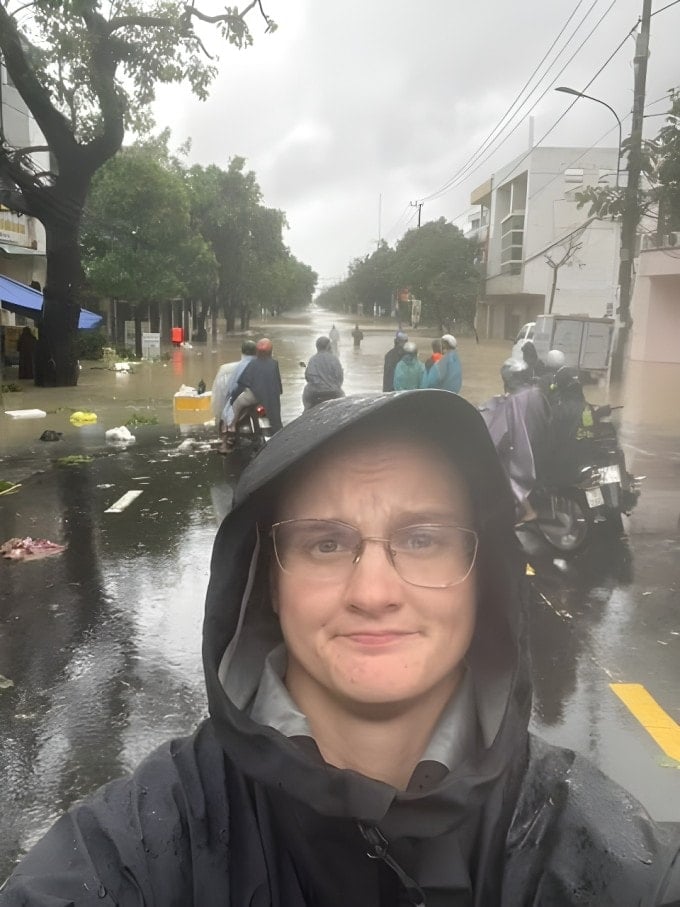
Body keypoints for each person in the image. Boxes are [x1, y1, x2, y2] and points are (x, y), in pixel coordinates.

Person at [3, 390, 679, 905]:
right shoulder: (147, 841)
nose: (374, 591)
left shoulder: (586, 843)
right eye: (326, 543)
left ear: (484, 579)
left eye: (422, 538)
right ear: (265, 580)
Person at [480, 359, 552, 524]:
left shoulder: (514, 402)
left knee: (502, 468)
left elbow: (500, 433)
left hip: (522, 451)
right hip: (540, 445)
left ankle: (527, 509)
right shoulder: (537, 392)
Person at [226, 337, 283, 447]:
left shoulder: (252, 364)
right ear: (271, 351)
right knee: (276, 417)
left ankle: (231, 429)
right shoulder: (274, 363)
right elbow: (278, 383)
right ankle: (277, 436)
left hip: (253, 397)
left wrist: (233, 398)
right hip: (270, 398)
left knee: (236, 406)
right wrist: (278, 392)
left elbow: (242, 383)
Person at [211, 340, 257, 431]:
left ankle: (225, 439)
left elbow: (218, 394)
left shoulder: (225, 369)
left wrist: (218, 415)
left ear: (242, 352)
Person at [302, 335, 344, 409]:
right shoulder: (334, 358)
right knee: (343, 398)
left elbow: (308, 377)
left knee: (306, 393)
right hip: (333, 391)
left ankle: (306, 412)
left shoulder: (313, 359)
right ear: (328, 346)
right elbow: (340, 378)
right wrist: (335, 386)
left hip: (314, 392)